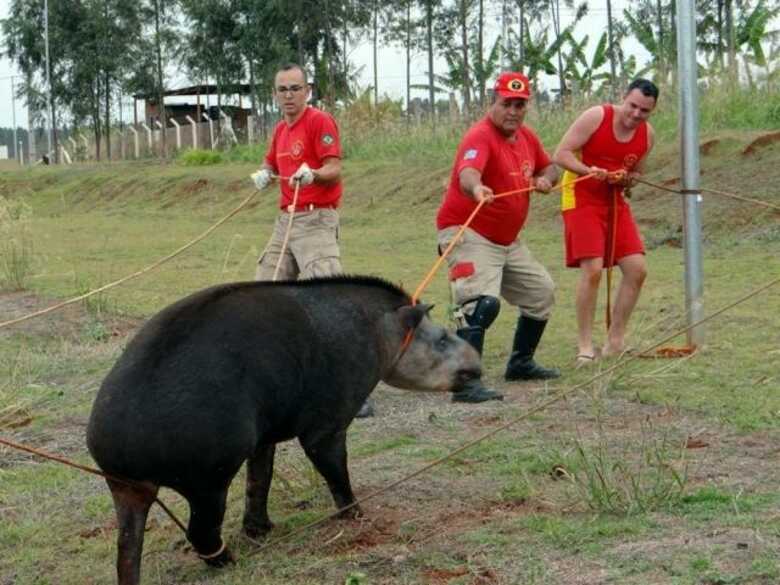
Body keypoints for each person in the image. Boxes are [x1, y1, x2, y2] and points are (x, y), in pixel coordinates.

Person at [250, 63, 374, 418]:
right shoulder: (279, 130)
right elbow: (272, 163)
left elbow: (335, 167)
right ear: (275, 94)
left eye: (294, 88)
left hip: (317, 218)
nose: (288, 95)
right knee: (264, 294)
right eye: (282, 89)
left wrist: (314, 174)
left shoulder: (320, 121)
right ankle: (279, 382)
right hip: (285, 219)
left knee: (328, 300)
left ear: (307, 90)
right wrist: (265, 174)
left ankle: (354, 390)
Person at [436, 71, 561, 404]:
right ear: (493, 101)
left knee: (541, 293)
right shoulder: (479, 136)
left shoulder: (527, 138)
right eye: (507, 103)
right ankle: (464, 383)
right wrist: (477, 188)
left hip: (508, 241)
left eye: (520, 105)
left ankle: (520, 363)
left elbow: (551, 167)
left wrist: (545, 178)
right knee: (479, 304)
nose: (514, 112)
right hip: (467, 231)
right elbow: (467, 173)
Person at [552, 78, 658, 366]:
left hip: (614, 201)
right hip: (581, 196)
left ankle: (615, 340)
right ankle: (585, 345)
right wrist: (589, 170)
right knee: (594, 270)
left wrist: (627, 180)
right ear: (624, 98)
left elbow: (636, 174)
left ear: (652, 111)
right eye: (632, 106)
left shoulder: (647, 135)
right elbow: (560, 154)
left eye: (644, 111)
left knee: (637, 269)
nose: (636, 115)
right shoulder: (596, 116)